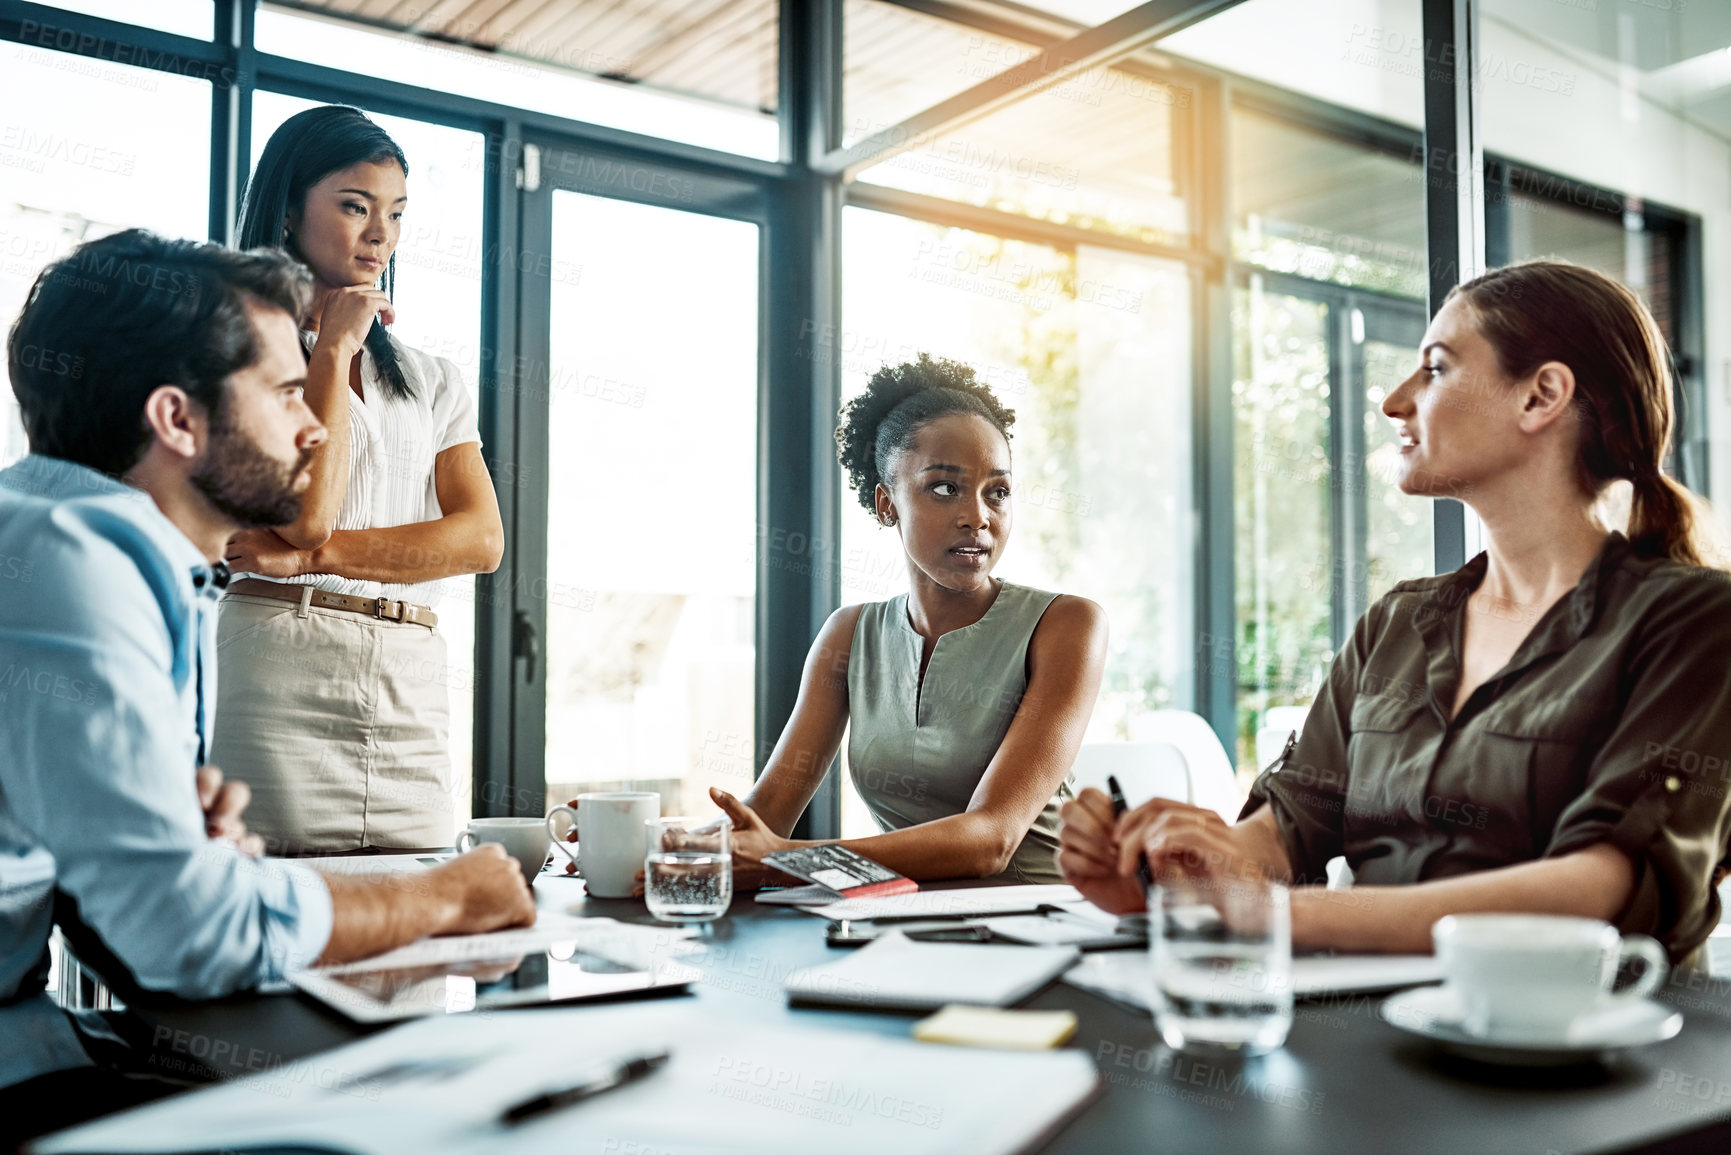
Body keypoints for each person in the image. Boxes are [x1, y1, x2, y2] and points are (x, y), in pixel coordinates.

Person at [0, 231, 534, 1145]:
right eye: (288, 392)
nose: (318, 426)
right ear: (177, 419)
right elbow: (183, 940)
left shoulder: (75, 539)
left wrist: (158, 841)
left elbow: (122, 925)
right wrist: (446, 897)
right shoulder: (71, 561)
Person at [1058, 260, 1731, 967]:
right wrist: (1164, 872)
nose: (1392, 401)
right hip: (1373, 1030)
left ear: (1540, 397)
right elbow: (1284, 836)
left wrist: (1275, 914)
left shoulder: (1694, 621)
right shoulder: (1397, 623)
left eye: (1434, 369)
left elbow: (1599, 887)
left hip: (1584, 1053)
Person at [561, 355, 1107, 885]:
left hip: (1045, 933)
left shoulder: (1068, 625)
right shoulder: (849, 635)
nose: (978, 516)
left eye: (999, 492)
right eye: (945, 487)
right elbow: (766, 818)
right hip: (904, 933)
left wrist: (789, 861)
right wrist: (646, 846)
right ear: (886, 503)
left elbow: (992, 840)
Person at [212, 105, 504, 853]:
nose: (382, 234)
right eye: (354, 206)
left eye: (396, 213)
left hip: (409, 673)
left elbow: (478, 539)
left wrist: (315, 557)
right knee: (285, 923)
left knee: (418, 917)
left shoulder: (434, 379)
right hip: (281, 665)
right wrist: (334, 349)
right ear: (286, 211)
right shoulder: (234, 354)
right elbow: (306, 510)